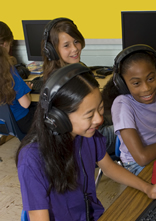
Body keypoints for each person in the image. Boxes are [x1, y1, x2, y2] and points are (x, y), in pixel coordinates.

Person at [16, 63, 156, 221]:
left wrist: (147, 187)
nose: (98, 120)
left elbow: (109, 167)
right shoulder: (32, 159)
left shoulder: (88, 136)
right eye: (89, 115)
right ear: (57, 119)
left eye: (100, 109)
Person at [102, 44, 156, 175]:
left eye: (150, 78)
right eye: (136, 83)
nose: (146, 88)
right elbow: (141, 158)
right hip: (137, 165)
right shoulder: (122, 106)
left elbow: (153, 113)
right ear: (122, 84)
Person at [41, 17, 116, 154]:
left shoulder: (74, 70)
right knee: (134, 126)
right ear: (52, 50)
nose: (75, 49)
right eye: (66, 45)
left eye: (76, 41)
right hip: (89, 136)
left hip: (93, 122)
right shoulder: (61, 83)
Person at [0, 21, 36, 134]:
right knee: (42, 108)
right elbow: (25, 104)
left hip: (2, 124)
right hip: (20, 123)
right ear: (5, 44)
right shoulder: (9, 70)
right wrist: (27, 92)